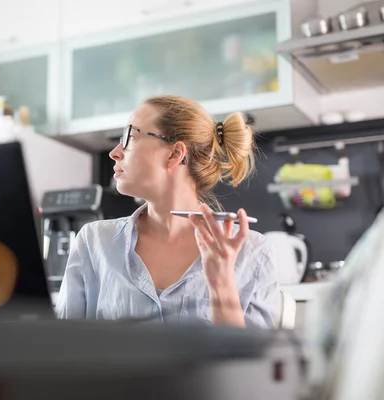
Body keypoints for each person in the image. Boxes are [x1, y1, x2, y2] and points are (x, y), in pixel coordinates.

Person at [56, 95, 278, 328]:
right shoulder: (93, 243)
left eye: (129, 137)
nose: (114, 152)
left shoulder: (252, 253)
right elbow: (60, 351)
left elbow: (254, 363)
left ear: (174, 154)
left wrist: (221, 281)